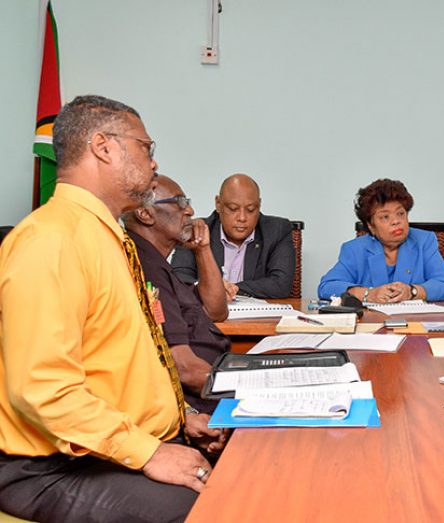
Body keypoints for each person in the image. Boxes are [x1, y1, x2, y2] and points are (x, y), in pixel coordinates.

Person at [0, 95, 227, 522]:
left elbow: (129, 360)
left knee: (250, 467)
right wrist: (151, 452)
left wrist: (183, 417)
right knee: (211, 508)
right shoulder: (51, 240)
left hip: (113, 445)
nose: (154, 163)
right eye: (146, 147)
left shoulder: (111, 239)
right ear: (103, 147)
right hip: (51, 466)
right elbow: (43, 390)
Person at [124, 175, 230, 414]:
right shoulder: (145, 266)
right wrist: (252, 389)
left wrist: (202, 248)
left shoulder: (158, 262)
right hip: (201, 407)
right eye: (180, 202)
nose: (190, 210)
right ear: (145, 213)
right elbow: (184, 368)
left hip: (213, 388)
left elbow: (216, 310)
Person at [318, 178, 444, 302]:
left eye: (400, 213)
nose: (396, 221)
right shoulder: (355, 249)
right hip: (370, 324)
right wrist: (368, 294)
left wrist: (412, 291)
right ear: (371, 226)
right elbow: (326, 287)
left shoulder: (424, 241)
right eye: (385, 217)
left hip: (414, 323)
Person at [171, 173, 295, 301]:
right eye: (233, 209)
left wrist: (230, 289)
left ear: (259, 205)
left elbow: (281, 285)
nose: (242, 218)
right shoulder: (196, 231)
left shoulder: (277, 230)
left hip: (255, 318)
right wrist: (206, 290)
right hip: (206, 316)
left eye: (251, 209)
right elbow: (178, 278)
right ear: (218, 204)